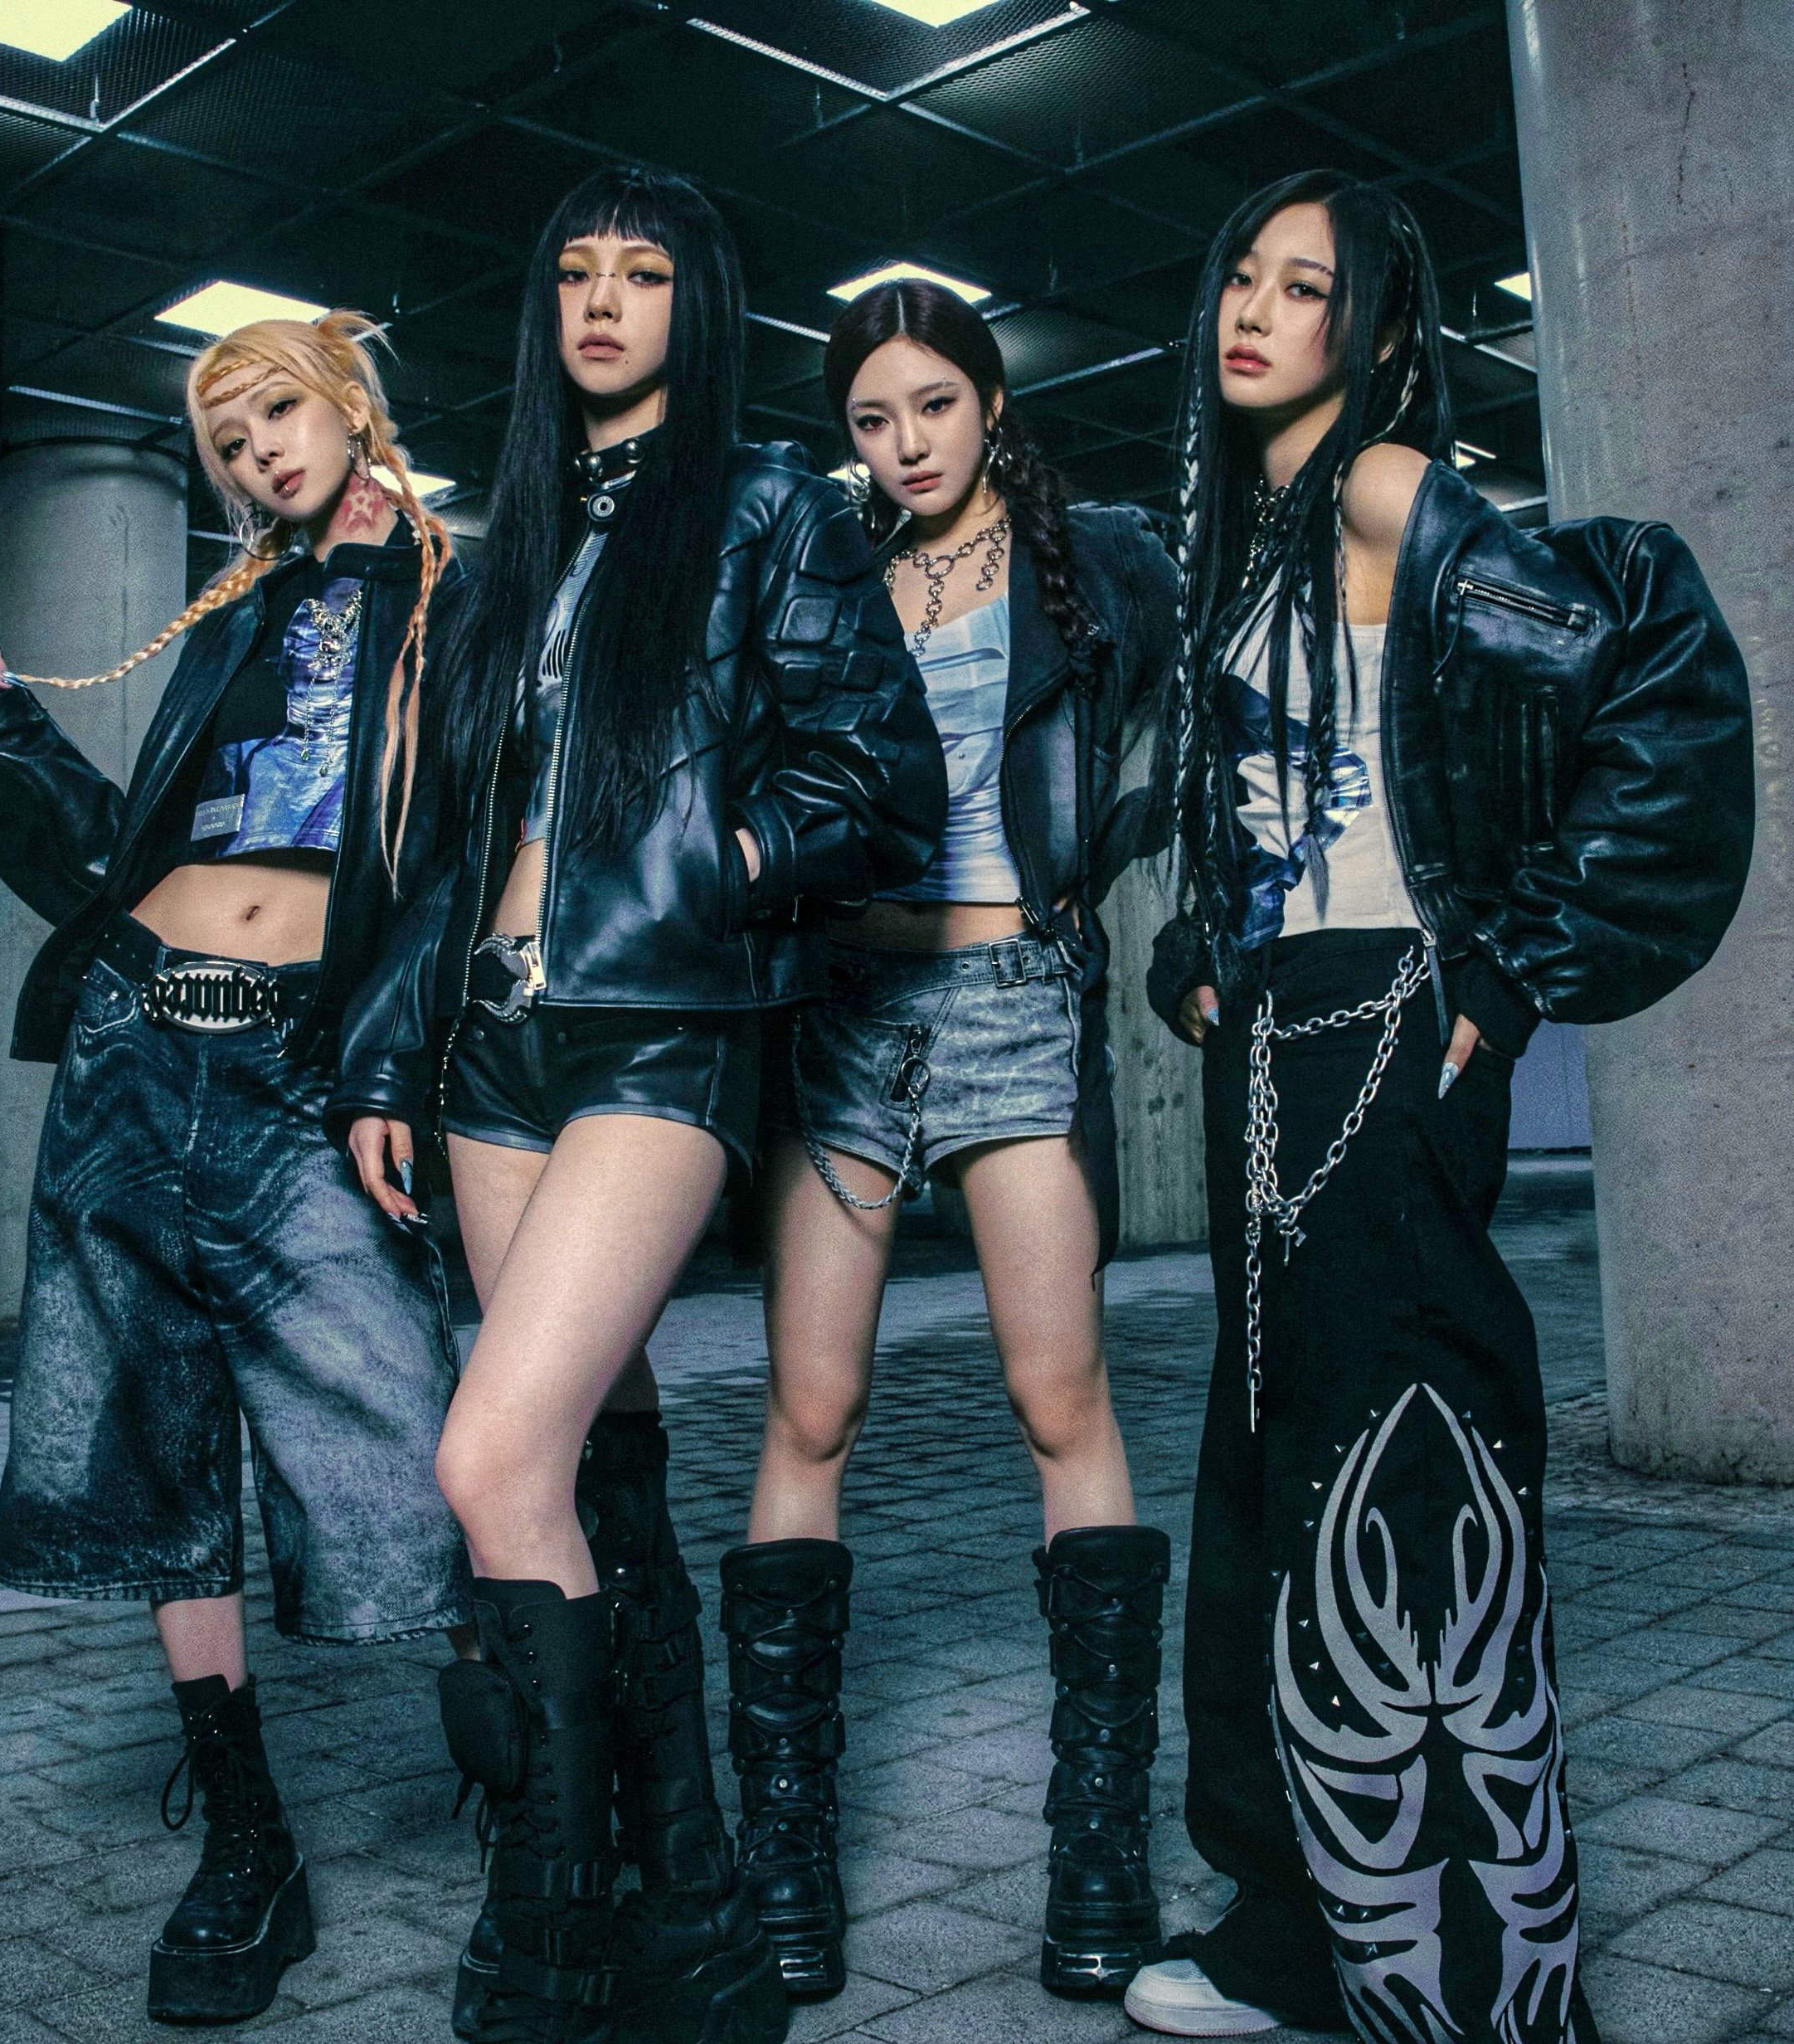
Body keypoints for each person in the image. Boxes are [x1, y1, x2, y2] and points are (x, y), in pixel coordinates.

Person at [1120, 171, 1752, 2042]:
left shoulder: (1386, 489)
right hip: (1282, 1033)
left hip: (1387, 1029)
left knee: (1404, 1477)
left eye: (1303, 287)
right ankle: (1300, 1936)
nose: (1252, 310)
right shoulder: (1256, 528)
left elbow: (1647, 668)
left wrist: (1512, 963)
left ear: (1381, 328)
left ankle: (1477, 1984)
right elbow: (1292, 793)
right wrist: (1204, 945)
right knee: (1276, 1470)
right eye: (1240, 273)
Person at [331, 167, 946, 2044]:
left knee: (484, 1462)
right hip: (492, 1045)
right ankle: (693, 1910)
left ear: (699, 302)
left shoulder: (768, 507)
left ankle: (549, 1932)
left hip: (658, 1036)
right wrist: (387, 1055)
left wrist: (721, 863)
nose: (604, 300)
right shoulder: (503, 548)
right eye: (576, 273)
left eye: (646, 273)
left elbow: (880, 779)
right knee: (592, 1473)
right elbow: (451, 844)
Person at [0, 312, 471, 2027]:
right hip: (133, 1044)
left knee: (410, 1429)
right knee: (150, 1441)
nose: (254, 452)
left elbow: (461, 858)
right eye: (224, 439)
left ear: (349, 404)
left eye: (276, 412)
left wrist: (388, 1065)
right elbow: (135, 853)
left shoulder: (460, 592)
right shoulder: (231, 611)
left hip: (306, 1063)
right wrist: (3, 747)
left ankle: (522, 1748)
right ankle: (247, 1838)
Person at [721, 278, 1179, 2008]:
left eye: (933, 405)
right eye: (870, 419)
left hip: (1011, 1002)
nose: (906, 444)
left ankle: (1097, 1853)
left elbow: (1198, 732)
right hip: (842, 1009)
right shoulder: (819, 567)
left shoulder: (1102, 558)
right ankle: (783, 1859)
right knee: (810, 1407)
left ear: (989, 400)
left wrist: (1138, 881)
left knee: (1060, 1400)